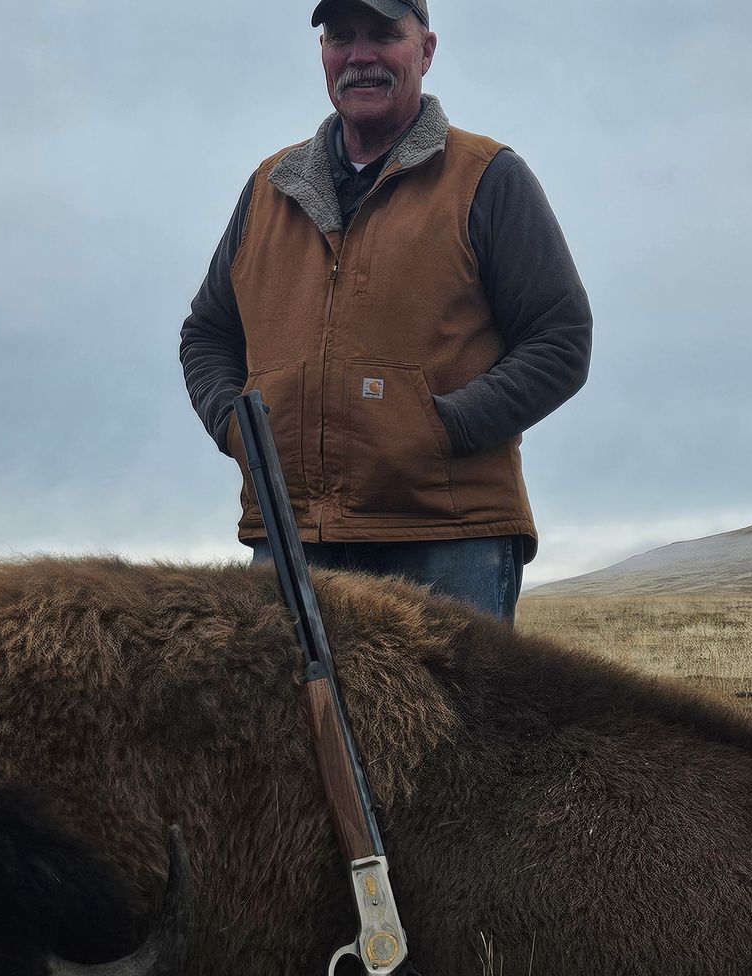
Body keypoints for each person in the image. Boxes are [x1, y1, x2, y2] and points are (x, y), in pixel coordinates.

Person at [179, 0, 591, 624]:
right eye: (341, 36)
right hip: (292, 538)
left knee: (451, 698)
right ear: (322, 54)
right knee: (285, 697)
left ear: (426, 50)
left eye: (382, 34)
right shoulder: (269, 188)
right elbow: (208, 334)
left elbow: (560, 339)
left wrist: (441, 428)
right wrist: (236, 426)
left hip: (449, 539)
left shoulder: (488, 178)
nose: (360, 56)